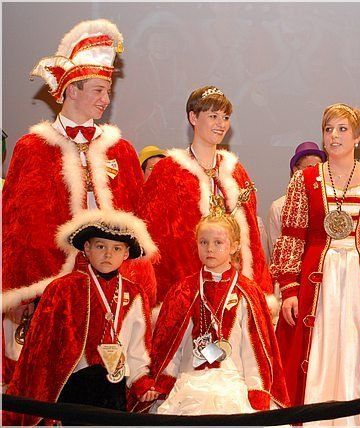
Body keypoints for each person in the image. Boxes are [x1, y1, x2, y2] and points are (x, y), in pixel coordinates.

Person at [2, 19, 149, 385]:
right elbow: (15, 228)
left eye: (108, 91)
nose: (106, 99)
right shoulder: (32, 148)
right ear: (71, 90)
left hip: (112, 290)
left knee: (106, 384)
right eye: (99, 90)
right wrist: (22, 292)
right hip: (51, 291)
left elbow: (139, 225)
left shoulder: (121, 150)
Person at [271, 103, 360, 426]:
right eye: (328, 129)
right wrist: (289, 288)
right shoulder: (305, 180)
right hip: (317, 286)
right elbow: (292, 237)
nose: (334, 136)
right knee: (317, 352)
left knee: (358, 353)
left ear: (358, 136)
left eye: (342, 129)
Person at [2, 209, 158, 426]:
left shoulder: (134, 293)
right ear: (86, 248)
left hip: (115, 390)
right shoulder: (62, 289)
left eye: (116, 248)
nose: (108, 254)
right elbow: (42, 352)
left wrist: (140, 380)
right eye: (100, 246)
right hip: (72, 388)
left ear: (126, 254)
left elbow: (137, 346)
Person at [139, 200, 289, 414]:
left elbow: (254, 348)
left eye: (218, 242)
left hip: (234, 384)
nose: (209, 248)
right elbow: (170, 344)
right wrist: (164, 382)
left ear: (234, 246)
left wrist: (256, 392)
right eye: (203, 242)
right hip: (190, 381)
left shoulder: (248, 291)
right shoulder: (183, 290)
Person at [137, 85, 274, 316]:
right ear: (193, 118)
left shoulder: (235, 171)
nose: (221, 123)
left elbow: (251, 238)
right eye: (213, 116)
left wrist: (260, 287)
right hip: (186, 288)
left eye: (225, 117)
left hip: (233, 288)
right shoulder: (169, 171)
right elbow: (152, 236)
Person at [267, 141, 326, 255]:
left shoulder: (327, 203)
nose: (315, 173)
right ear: (296, 170)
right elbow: (275, 249)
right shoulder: (279, 206)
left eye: (319, 168)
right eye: (310, 168)